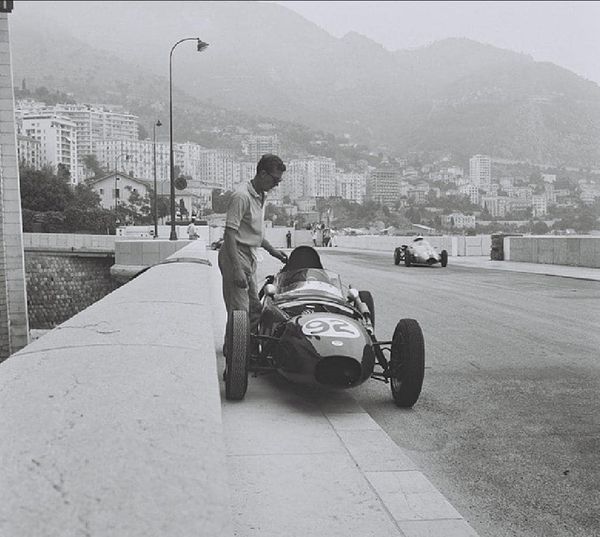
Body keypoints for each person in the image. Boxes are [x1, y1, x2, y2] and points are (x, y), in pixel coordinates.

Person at [218, 154, 288, 359]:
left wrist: (272, 250)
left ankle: (237, 349)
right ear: (263, 173)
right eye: (274, 180)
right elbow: (230, 234)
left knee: (255, 309)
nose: (276, 184)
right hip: (235, 255)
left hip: (249, 255)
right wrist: (237, 269)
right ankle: (237, 360)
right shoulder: (242, 196)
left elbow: (253, 232)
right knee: (240, 311)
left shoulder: (261, 195)